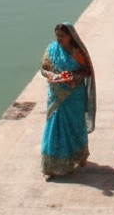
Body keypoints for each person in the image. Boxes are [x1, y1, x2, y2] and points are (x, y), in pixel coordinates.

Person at [40, 22, 96, 179]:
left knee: (74, 126)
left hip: (74, 96)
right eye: (57, 36)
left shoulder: (77, 52)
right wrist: (52, 76)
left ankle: (77, 156)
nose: (59, 39)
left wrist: (73, 77)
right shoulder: (51, 49)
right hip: (56, 95)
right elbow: (43, 69)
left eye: (62, 36)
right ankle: (50, 165)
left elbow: (87, 71)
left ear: (70, 36)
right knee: (54, 127)